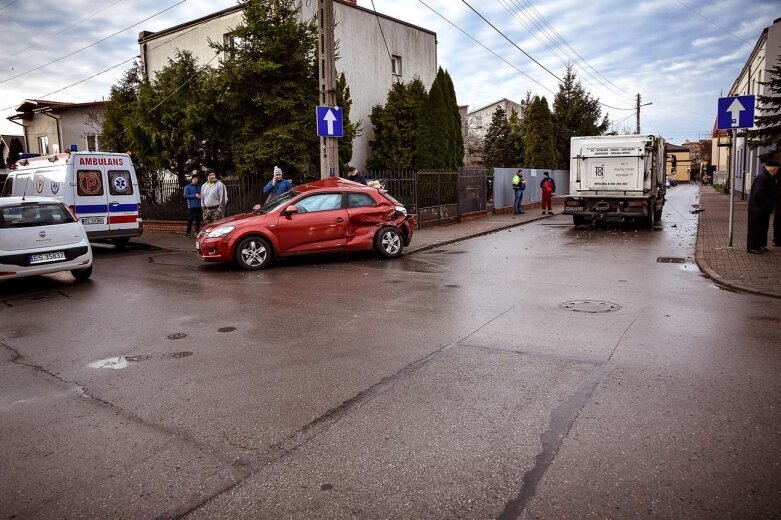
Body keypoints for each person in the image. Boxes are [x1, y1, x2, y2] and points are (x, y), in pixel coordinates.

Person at [747, 159, 778, 254]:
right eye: (776, 170)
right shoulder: (762, 177)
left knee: (763, 227)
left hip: (762, 208)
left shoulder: (768, 177)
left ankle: (760, 245)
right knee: (755, 228)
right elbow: (758, 194)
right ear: (773, 169)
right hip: (757, 208)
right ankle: (752, 247)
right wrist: (767, 203)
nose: (777, 172)